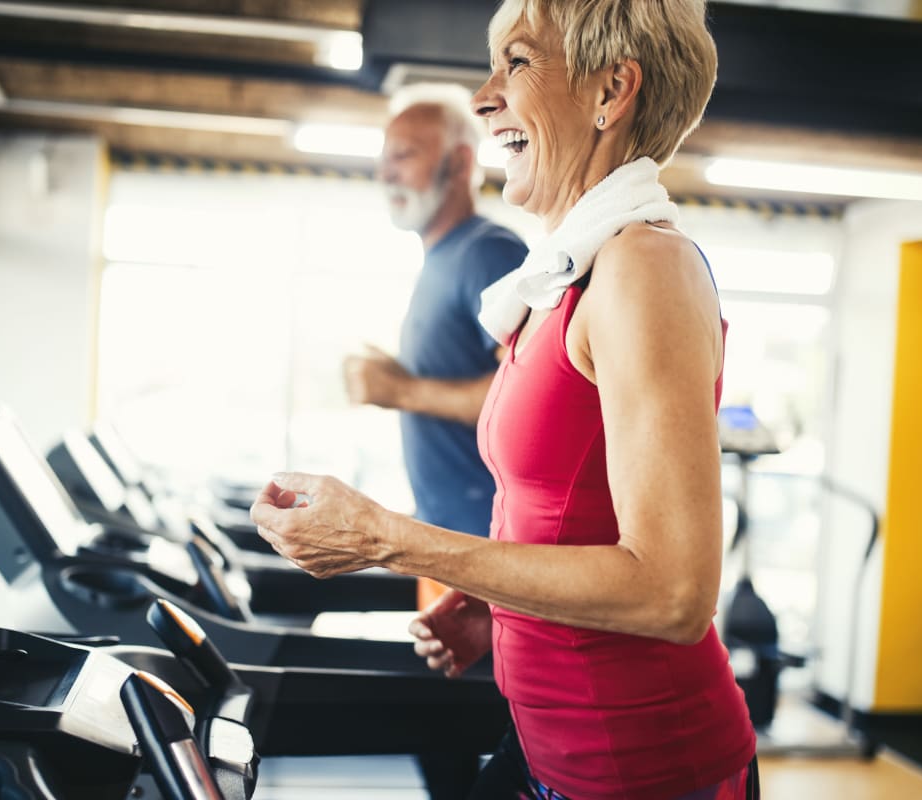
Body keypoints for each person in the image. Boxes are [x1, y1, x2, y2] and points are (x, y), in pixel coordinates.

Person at [251, 1, 759, 798]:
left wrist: (388, 539)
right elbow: (572, 511)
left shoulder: (642, 268)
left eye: (517, 63)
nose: (486, 97)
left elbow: (673, 592)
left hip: (645, 769)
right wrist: (498, 607)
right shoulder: (565, 280)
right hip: (547, 749)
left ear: (610, 91)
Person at [345, 84, 527, 549]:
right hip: (444, 536)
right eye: (384, 158)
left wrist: (402, 390)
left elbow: (531, 397)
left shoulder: (488, 253)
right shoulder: (443, 258)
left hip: (485, 547)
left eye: (404, 154)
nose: (386, 173)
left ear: (462, 163)